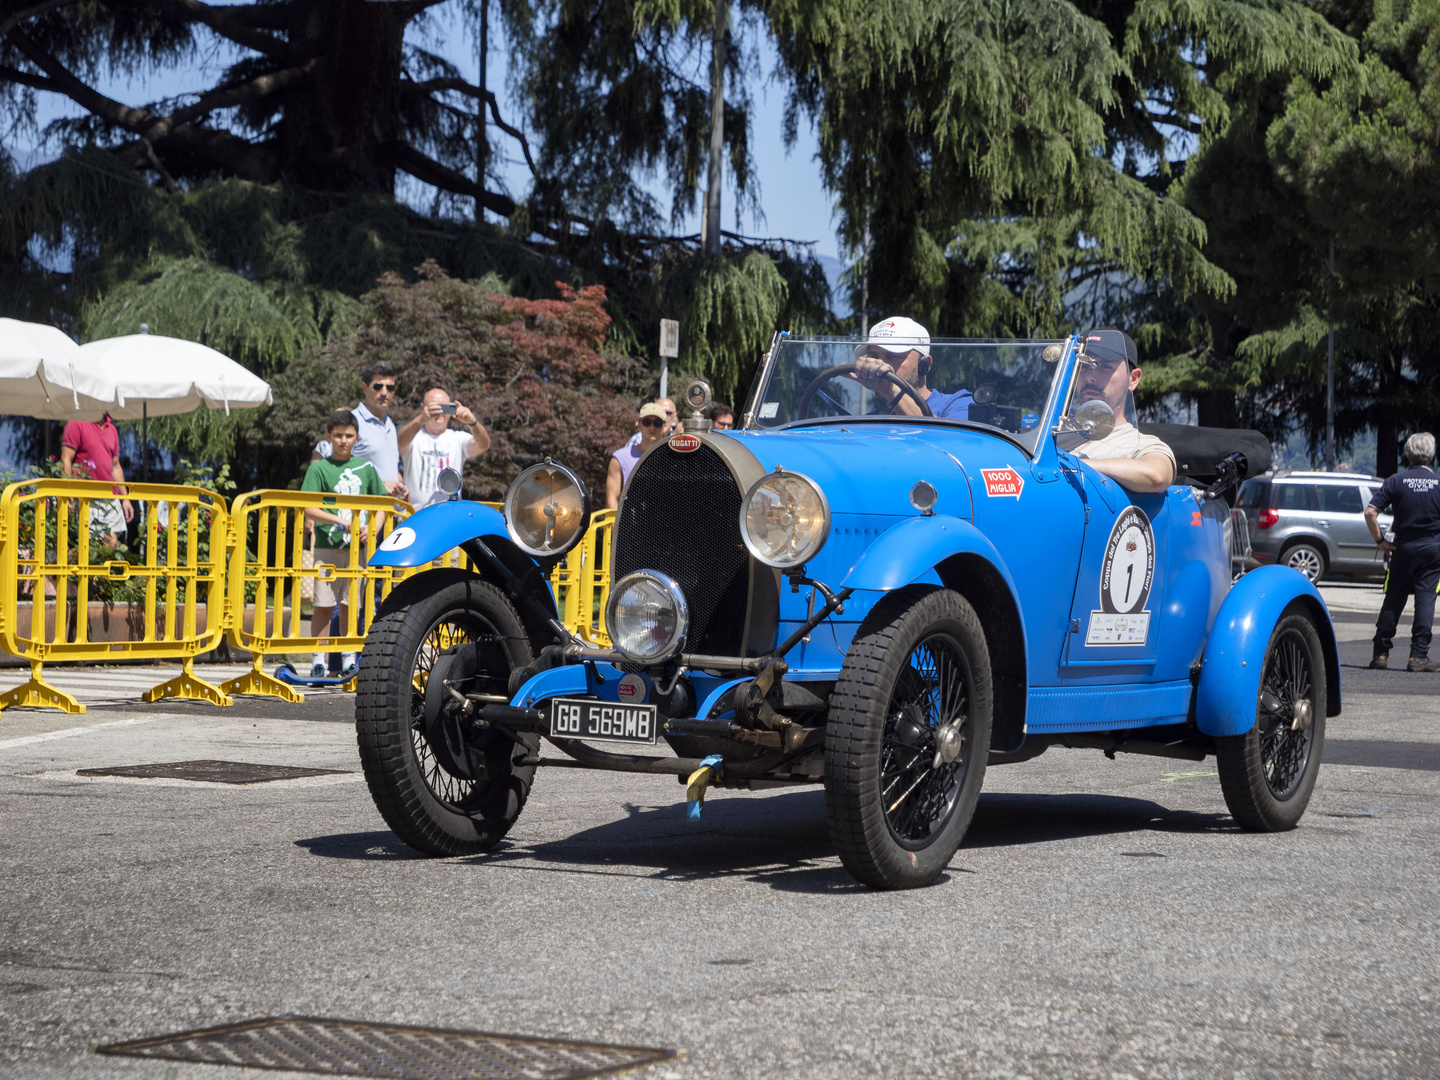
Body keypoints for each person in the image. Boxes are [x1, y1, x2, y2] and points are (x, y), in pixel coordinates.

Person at [302, 410, 388, 679]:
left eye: (348, 435)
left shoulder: (366, 468)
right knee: (323, 604)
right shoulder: (318, 469)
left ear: (356, 437)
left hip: (357, 549)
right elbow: (308, 507)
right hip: (328, 547)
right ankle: (319, 659)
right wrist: (339, 520)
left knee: (352, 605)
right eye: (337, 435)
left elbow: (383, 504)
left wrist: (372, 527)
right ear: (328, 437)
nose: (343, 440)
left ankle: (350, 658)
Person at [1055, 328, 1176, 493]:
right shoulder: (1051, 433)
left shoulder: (1142, 444)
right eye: (1083, 366)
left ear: (1132, 379)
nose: (1090, 376)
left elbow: (1157, 476)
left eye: (1105, 367)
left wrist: (1076, 465)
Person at [1366, 432, 1440, 672]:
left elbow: (1370, 512)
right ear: (1431, 455)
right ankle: (1418, 656)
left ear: (1408, 455)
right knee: (1426, 599)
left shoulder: (1395, 481)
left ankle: (1380, 653)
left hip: (1402, 547)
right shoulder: (1439, 484)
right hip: (1432, 548)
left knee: (1394, 598)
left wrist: (1380, 541)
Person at [312, 361, 408, 501]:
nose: (384, 392)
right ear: (364, 388)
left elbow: (388, 469)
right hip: (361, 513)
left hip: (387, 512)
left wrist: (401, 487)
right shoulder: (352, 422)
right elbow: (323, 459)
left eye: (390, 388)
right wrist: (379, 485)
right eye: (377, 386)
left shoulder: (390, 425)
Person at [851, 317, 973, 419]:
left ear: (924, 364)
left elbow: (946, 442)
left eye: (893, 356)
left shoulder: (959, 404)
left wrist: (890, 389)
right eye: (873, 356)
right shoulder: (871, 420)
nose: (880, 363)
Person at [397, 388, 490, 506]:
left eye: (444, 407)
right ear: (422, 408)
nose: (439, 412)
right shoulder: (414, 437)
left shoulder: (457, 438)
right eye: (434, 407)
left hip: (448, 515)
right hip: (414, 515)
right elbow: (399, 444)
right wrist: (421, 419)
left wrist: (472, 422)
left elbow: (483, 445)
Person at [60, 414, 133, 547]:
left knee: (112, 543)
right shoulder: (77, 422)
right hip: (87, 498)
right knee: (90, 545)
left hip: (110, 497)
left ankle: (65, 559)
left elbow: (115, 466)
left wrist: (125, 498)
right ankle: (63, 559)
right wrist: (68, 496)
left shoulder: (111, 429)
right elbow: (66, 459)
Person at [606, 402, 667, 509]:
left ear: (664, 426)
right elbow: (612, 497)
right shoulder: (620, 458)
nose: (652, 427)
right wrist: (615, 525)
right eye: (647, 422)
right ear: (639, 424)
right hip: (631, 522)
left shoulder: (673, 458)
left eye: (657, 423)